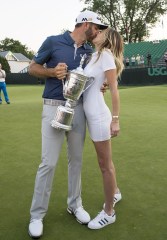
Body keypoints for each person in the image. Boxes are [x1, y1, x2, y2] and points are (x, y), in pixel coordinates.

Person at [28, 10, 108, 239]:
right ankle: (37, 215)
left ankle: (75, 204)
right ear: (85, 24)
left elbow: (90, 82)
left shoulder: (90, 52)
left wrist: (98, 87)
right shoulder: (53, 42)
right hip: (53, 105)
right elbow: (33, 67)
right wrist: (52, 72)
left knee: (77, 160)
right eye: (97, 27)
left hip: (78, 109)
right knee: (48, 162)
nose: (99, 31)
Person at [83, 28, 124, 229]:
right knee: (106, 161)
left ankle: (109, 212)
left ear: (106, 38)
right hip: (91, 115)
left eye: (100, 32)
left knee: (104, 165)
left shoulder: (106, 55)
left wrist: (115, 120)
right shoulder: (95, 56)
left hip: (100, 116)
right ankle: (115, 192)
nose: (96, 33)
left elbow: (115, 90)